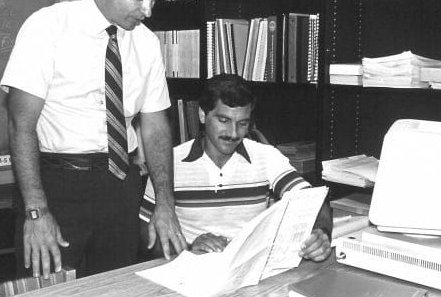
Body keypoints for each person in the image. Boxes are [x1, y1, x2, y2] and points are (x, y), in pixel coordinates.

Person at [0, 0, 187, 279]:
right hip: (57, 187)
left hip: (120, 186)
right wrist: (36, 212)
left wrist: (165, 202)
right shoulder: (48, 27)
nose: (148, 11)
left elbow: (156, 126)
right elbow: (20, 125)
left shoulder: (145, 44)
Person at [139, 74, 332, 261]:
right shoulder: (168, 163)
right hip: (188, 272)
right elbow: (148, 240)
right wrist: (189, 250)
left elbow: (314, 203)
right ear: (202, 115)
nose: (233, 133)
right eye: (223, 121)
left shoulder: (265, 156)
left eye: (242, 123)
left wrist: (322, 233)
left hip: (247, 269)